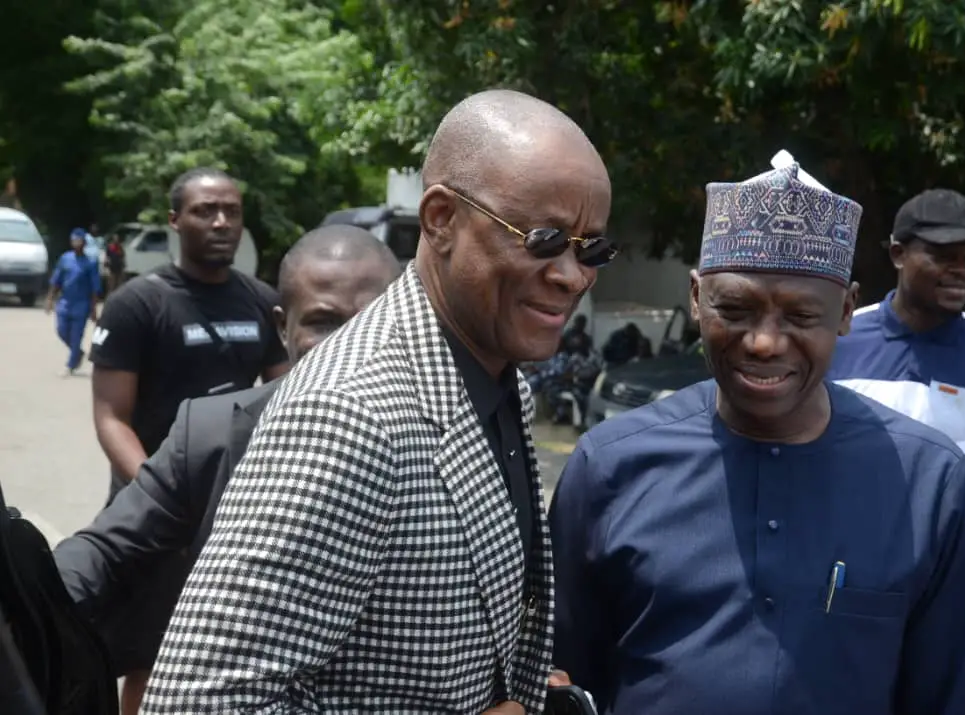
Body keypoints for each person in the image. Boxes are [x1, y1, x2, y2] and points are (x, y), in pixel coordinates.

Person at [140, 89, 616, 715]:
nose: (572, 275)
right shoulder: (352, 412)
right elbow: (197, 704)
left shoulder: (496, 379)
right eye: (545, 238)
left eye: (593, 249)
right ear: (441, 219)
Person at [549, 163, 965, 714]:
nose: (763, 342)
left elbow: (953, 694)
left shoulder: (927, 482)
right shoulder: (610, 467)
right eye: (734, 309)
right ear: (695, 298)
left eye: (802, 315)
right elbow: (565, 679)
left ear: (847, 311)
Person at [52, 225, 401, 701]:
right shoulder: (215, 431)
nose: (350, 344)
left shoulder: (458, 432)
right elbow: (107, 547)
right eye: (324, 322)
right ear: (282, 327)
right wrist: (26, 602)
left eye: (371, 321)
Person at [87, 167, 289, 712]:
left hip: (234, 516)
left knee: (229, 663)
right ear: (175, 220)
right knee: (150, 664)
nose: (221, 221)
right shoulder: (138, 304)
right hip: (156, 518)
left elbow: (286, 400)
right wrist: (168, 494)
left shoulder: (262, 302)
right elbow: (111, 418)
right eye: (205, 211)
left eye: (231, 210)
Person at [829, 189, 965, 539]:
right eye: (943, 256)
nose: (961, 270)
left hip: (939, 574)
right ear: (898, 254)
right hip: (834, 551)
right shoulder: (835, 342)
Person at [44, 228, 100, 375]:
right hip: (65, 302)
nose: (76, 243)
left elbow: (95, 288)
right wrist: (50, 298)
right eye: (73, 240)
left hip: (81, 304)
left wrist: (94, 309)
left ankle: (70, 365)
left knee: (76, 336)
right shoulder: (65, 258)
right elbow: (56, 280)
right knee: (61, 331)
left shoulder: (91, 262)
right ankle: (78, 353)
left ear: (84, 243)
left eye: (78, 240)